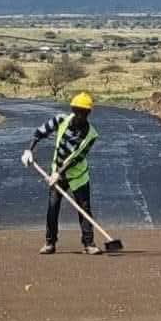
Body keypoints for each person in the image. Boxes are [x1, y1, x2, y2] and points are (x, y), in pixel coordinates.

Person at [21, 91, 101, 255]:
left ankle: (89, 244)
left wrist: (59, 173)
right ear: (72, 109)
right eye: (77, 111)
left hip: (78, 176)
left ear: (88, 113)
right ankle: (50, 243)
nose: (79, 115)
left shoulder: (91, 134)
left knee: (84, 209)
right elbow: (40, 132)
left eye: (83, 112)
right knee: (53, 206)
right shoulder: (61, 120)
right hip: (57, 172)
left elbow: (77, 158)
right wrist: (29, 150)